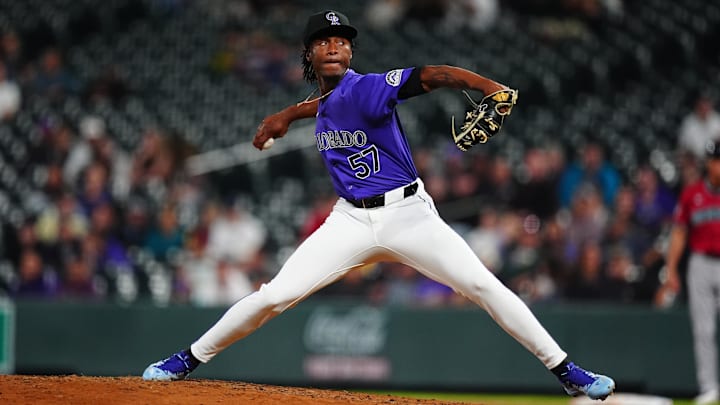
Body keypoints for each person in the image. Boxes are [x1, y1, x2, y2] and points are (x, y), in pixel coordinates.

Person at [142, 10, 615, 401]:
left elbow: (432, 75)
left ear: (351, 52)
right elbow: (322, 104)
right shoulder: (324, 102)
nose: (334, 46)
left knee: (479, 283)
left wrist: (487, 86)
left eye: (342, 41)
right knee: (274, 295)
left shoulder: (368, 86)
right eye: (324, 40)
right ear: (308, 52)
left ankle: (568, 371)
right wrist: (285, 114)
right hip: (349, 218)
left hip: (408, 215)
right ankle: (186, 359)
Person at [657, 140, 720, 404]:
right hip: (700, 263)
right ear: (708, 163)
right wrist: (671, 268)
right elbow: (680, 233)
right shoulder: (692, 194)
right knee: (703, 329)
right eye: (715, 160)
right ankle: (709, 387)